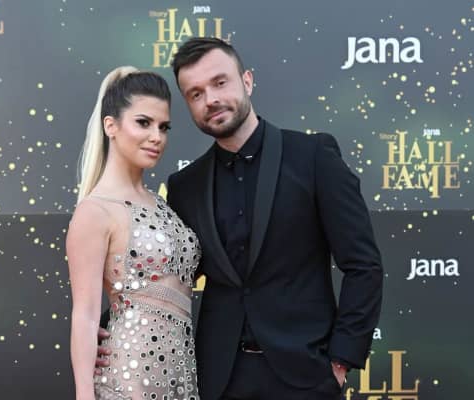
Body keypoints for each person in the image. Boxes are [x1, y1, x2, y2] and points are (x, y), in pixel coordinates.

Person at [99, 37, 384, 400]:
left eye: (220, 83)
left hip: (306, 375)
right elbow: (170, 275)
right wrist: (109, 329)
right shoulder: (185, 186)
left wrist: (341, 359)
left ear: (247, 81)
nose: (211, 99)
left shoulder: (313, 157)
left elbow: (363, 265)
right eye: (196, 94)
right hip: (219, 379)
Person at [67, 66, 201, 400]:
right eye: (143, 122)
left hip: (181, 378)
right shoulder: (94, 211)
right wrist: (84, 394)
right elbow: (85, 315)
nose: (157, 136)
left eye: (163, 127)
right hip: (127, 381)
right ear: (110, 126)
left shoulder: (162, 205)